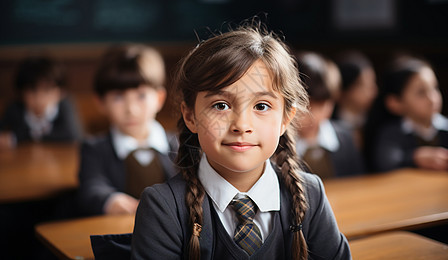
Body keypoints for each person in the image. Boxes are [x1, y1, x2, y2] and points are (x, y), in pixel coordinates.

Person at [131, 25, 350, 259]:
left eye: (261, 106)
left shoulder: (310, 194)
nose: (241, 125)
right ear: (190, 116)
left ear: (286, 118)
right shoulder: (164, 207)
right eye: (221, 105)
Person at [77, 44, 178, 216]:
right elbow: (91, 186)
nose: (131, 109)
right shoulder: (94, 149)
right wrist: (110, 199)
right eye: (118, 97)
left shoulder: (179, 145)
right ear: (101, 102)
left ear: (159, 99)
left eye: (141, 96)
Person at [365, 56, 448, 172]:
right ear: (395, 103)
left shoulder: (447, 128)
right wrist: (414, 158)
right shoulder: (391, 133)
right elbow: (385, 165)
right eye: (421, 92)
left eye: (434, 88)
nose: (432, 99)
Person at [295, 52, 365, 179]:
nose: (313, 116)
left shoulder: (345, 137)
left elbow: (357, 183)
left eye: (322, 105)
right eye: (305, 106)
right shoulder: (276, 144)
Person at [0, 55, 82, 148]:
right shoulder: (14, 108)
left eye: (47, 90)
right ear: (21, 93)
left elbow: (73, 136)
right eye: (33, 91)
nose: (39, 97)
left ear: (61, 92)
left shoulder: (65, 106)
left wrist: (18, 138)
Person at [333, 50, 378, 150]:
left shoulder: (378, 122)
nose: (374, 91)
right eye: (365, 86)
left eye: (373, 83)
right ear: (344, 90)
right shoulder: (329, 122)